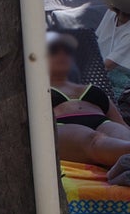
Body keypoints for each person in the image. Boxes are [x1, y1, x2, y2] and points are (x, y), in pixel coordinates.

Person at [48, 30, 130, 165]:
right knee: (94, 141)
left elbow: (121, 123)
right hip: (62, 125)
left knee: (123, 138)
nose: (62, 55)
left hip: (103, 122)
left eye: (67, 51)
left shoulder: (93, 88)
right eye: (54, 51)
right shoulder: (36, 91)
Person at [96, 0, 130, 95]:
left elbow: (108, 65)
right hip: (99, 67)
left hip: (123, 78)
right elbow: (96, 38)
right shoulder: (110, 13)